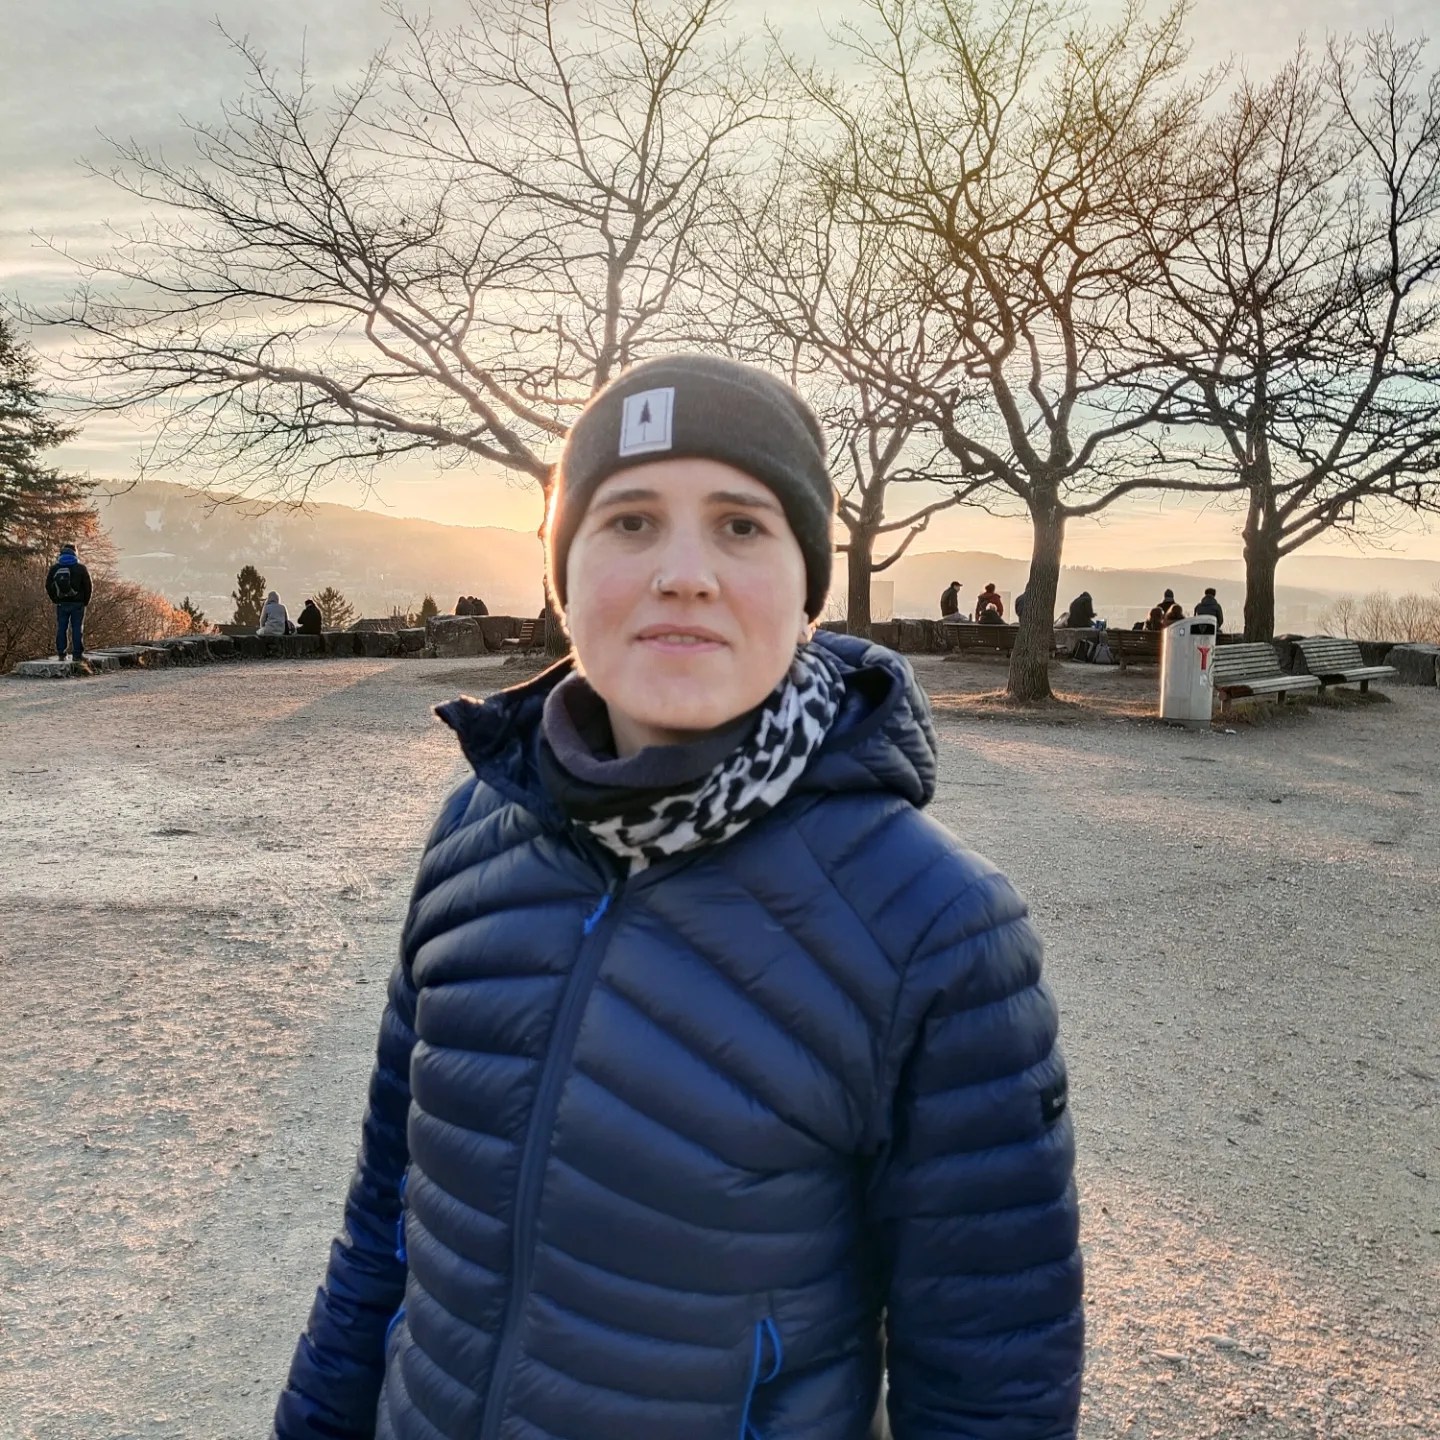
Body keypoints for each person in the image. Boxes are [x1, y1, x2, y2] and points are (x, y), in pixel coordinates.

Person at [272, 354, 1083, 1440]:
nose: (684, 573)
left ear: (807, 586)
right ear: (564, 575)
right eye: (631, 522)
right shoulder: (474, 833)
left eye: (741, 526)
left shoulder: (937, 929)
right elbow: (385, 1231)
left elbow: (992, 1386)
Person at [44, 541, 92, 663]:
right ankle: (77, 655)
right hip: (78, 604)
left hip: (62, 603)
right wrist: (85, 601)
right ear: (75, 553)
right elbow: (88, 586)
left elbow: (48, 585)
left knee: (62, 628)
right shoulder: (80, 568)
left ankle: (61, 653)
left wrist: (55, 599)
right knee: (77, 628)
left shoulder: (55, 568)